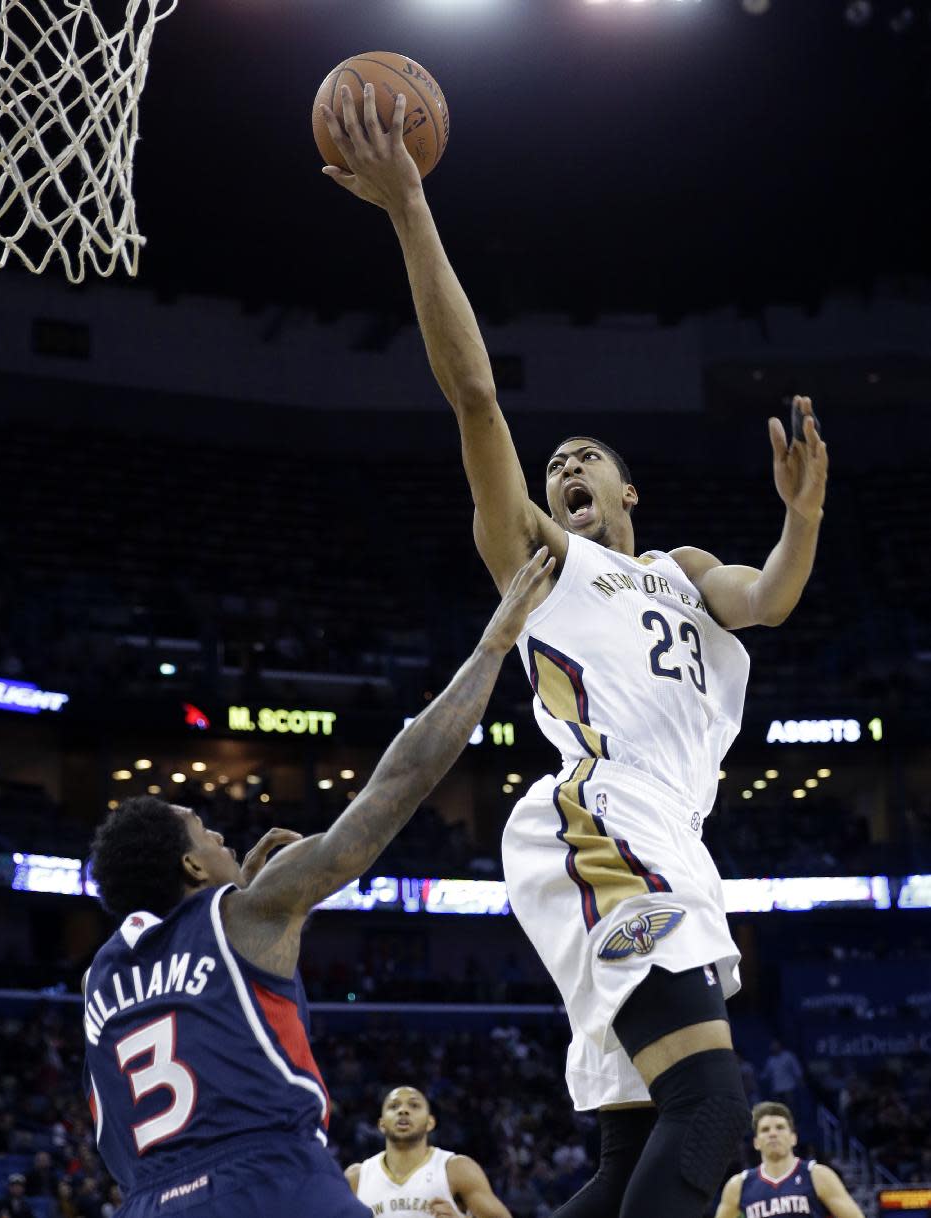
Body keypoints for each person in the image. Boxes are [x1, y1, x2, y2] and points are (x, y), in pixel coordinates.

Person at [320, 85, 829, 1218]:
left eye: (586, 457)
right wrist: (409, 206)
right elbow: (475, 400)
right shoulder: (544, 564)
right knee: (710, 1115)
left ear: (629, 490)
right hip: (603, 822)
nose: (565, 469)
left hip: (670, 842)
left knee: (625, 1155)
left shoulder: (683, 571)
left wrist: (799, 517)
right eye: (555, 465)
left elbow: (769, 601)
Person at [82, 551, 552, 1218]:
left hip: (149, 1200)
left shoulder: (99, 980)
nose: (221, 838)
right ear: (189, 867)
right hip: (271, 1179)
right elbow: (397, 784)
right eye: (206, 833)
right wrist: (492, 644)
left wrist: (236, 900)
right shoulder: (248, 913)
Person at [344, 1086, 511, 1218]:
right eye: (394, 1106)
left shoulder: (456, 1169)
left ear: (430, 1122)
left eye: (414, 1105)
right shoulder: (356, 1178)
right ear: (381, 1124)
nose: (403, 1111)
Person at [715, 1101, 865, 1218]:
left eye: (780, 1127)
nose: (773, 1134)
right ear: (756, 1142)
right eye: (765, 1130)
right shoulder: (739, 1185)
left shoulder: (818, 1175)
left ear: (793, 1138)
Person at [760, 1039, 805, 1111]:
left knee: (791, 1108)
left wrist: (800, 1081)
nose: (773, 1047)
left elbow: (797, 1070)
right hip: (776, 1089)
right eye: (772, 1045)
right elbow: (766, 1074)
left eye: (775, 1045)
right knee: (779, 1110)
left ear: (779, 1045)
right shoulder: (770, 1060)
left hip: (789, 1088)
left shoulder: (788, 1056)